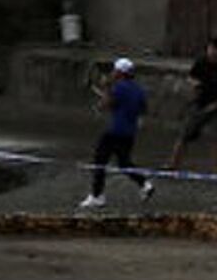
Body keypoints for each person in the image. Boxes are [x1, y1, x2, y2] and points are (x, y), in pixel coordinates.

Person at [80, 57, 155, 208]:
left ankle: (97, 196)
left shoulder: (118, 88)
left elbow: (103, 106)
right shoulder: (138, 90)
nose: (112, 72)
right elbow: (140, 109)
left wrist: (103, 95)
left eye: (114, 70)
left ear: (120, 72)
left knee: (99, 161)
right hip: (129, 133)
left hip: (115, 132)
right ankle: (145, 184)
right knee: (124, 163)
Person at [166, 36, 217, 173]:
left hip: (215, 105)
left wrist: (214, 106)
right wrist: (193, 83)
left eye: (215, 50)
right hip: (200, 103)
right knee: (184, 135)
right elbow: (191, 77)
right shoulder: (201, 62)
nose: (212, 52)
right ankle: (173, 165)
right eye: (211, 49)